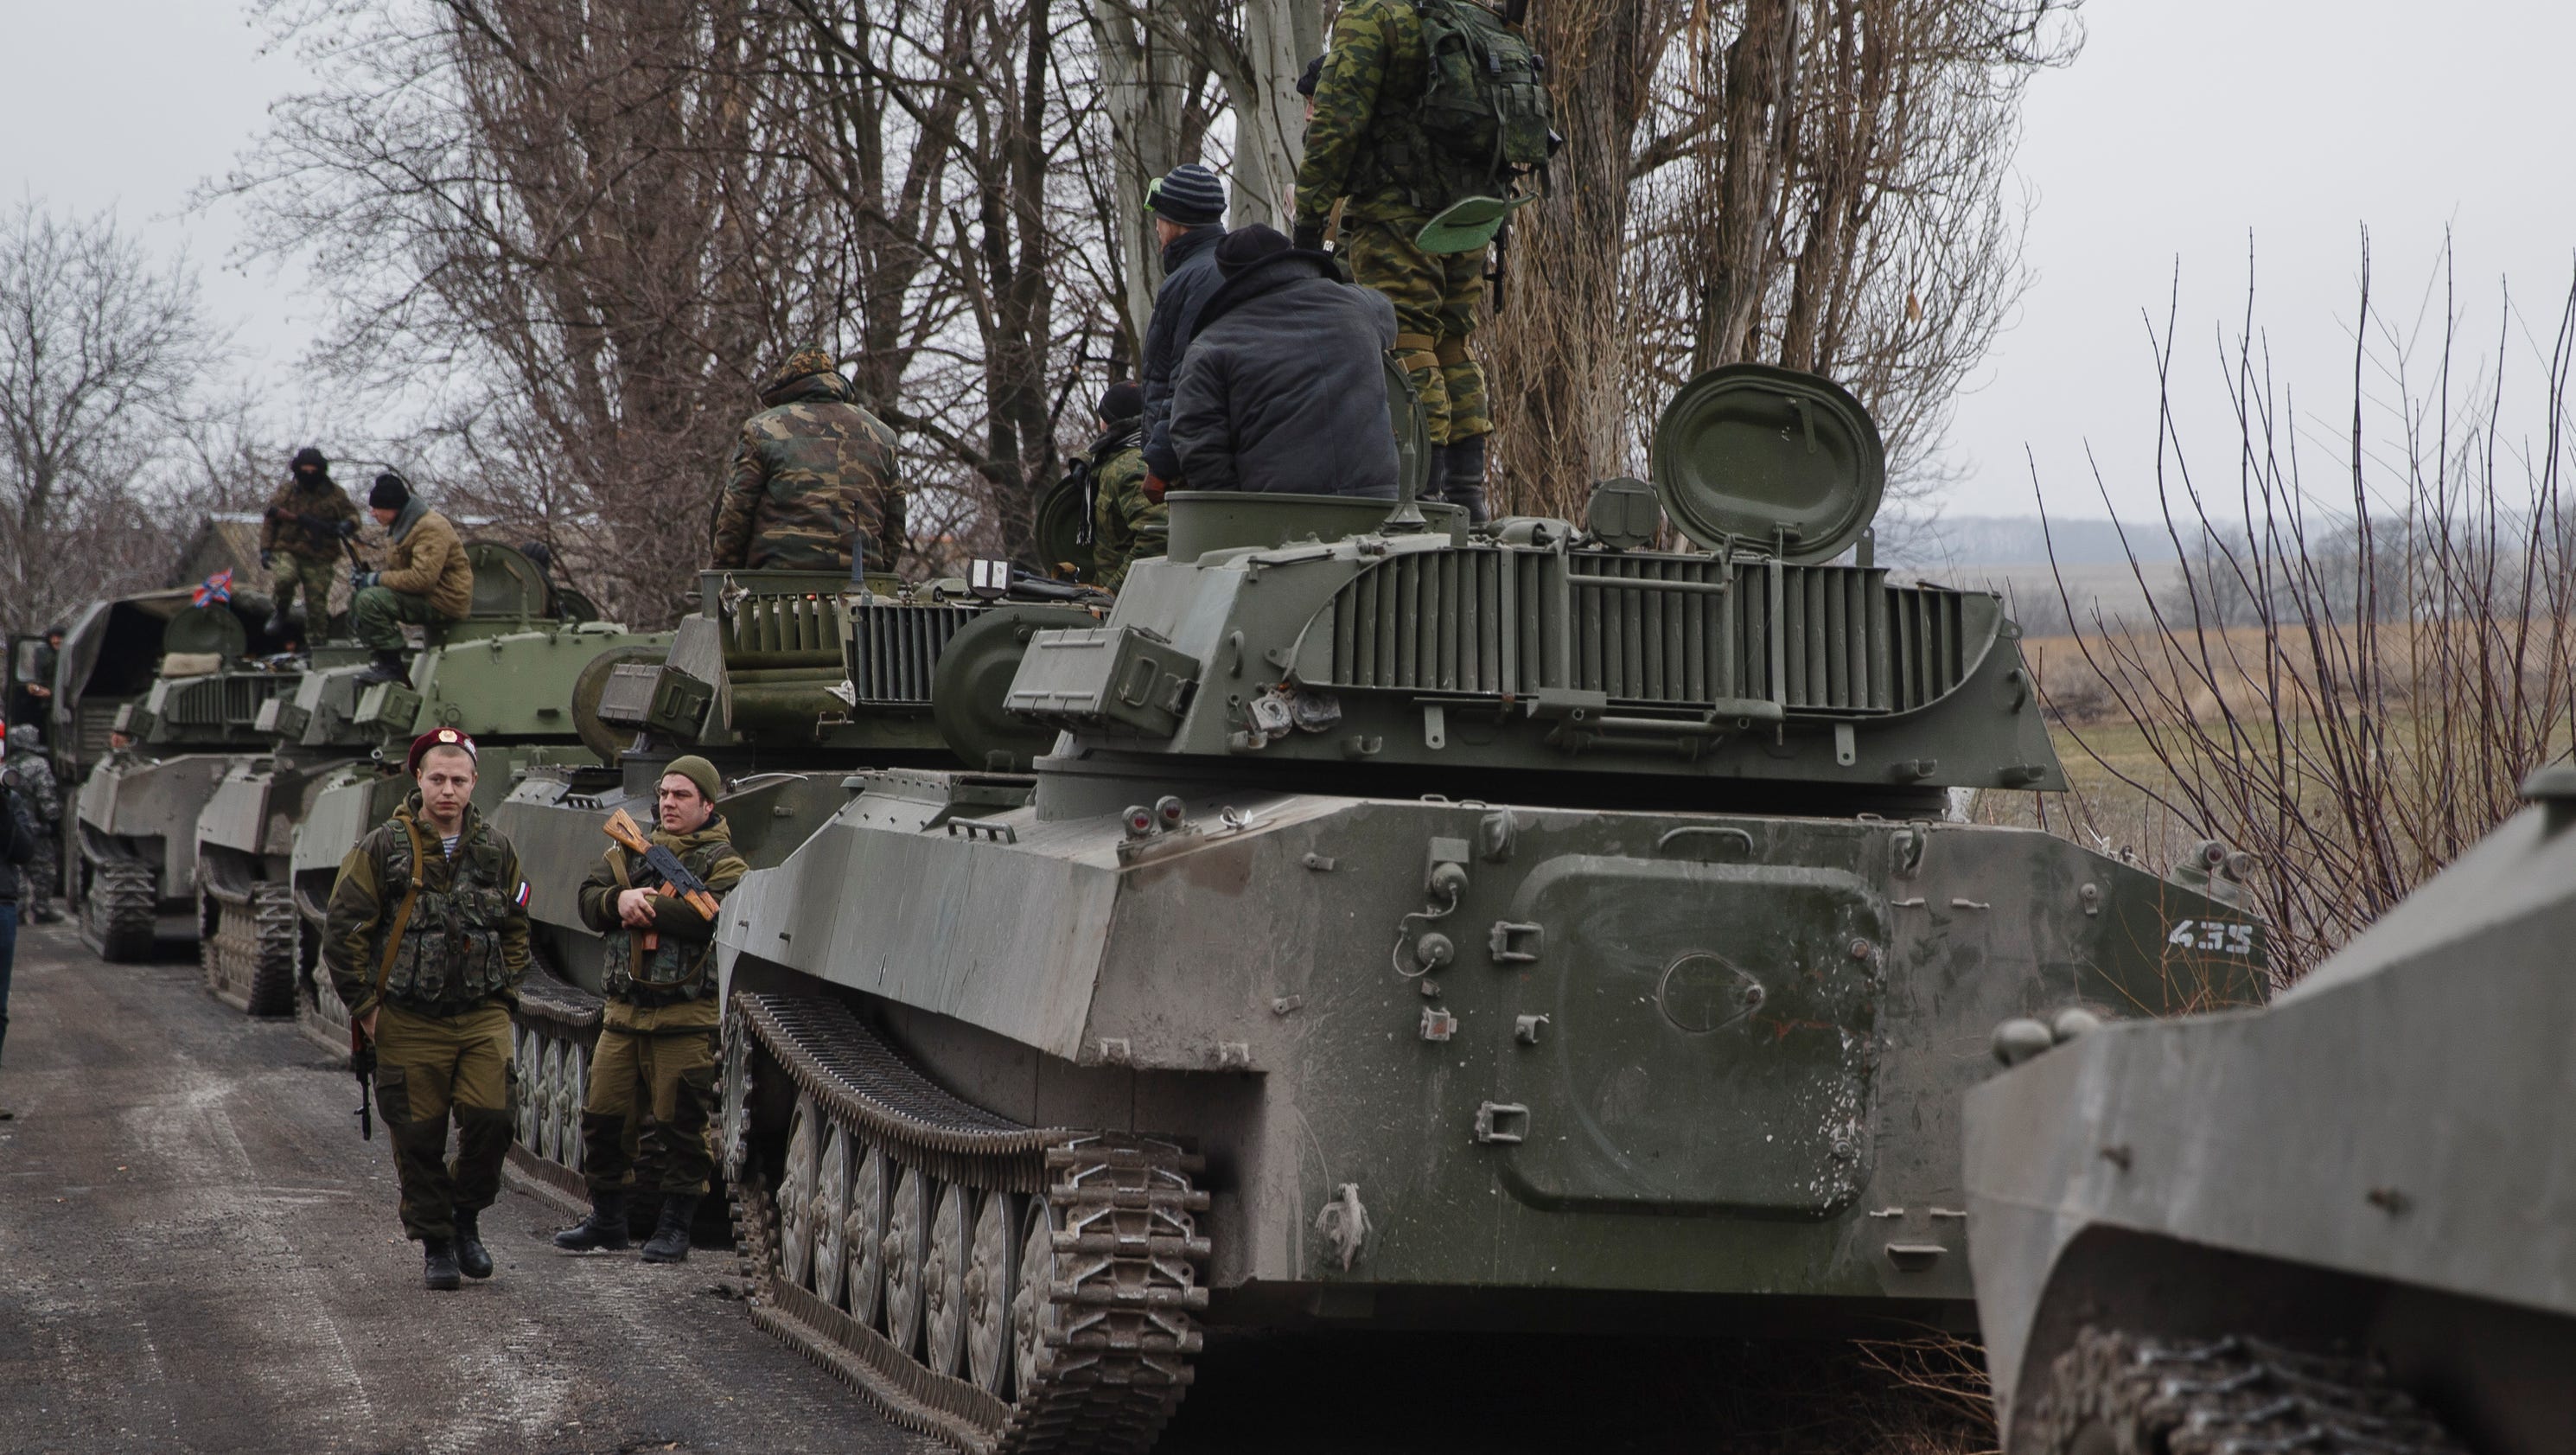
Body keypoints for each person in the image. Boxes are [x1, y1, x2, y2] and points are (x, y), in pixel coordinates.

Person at [1293, 0, 1552, 525]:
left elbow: (1337, 120)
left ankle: (1424, 498)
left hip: (1398, 210)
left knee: (1406, 339)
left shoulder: (1374, 13)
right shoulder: (1471, 13)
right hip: (1473, 213)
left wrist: (1309, 217)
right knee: (1452, 342)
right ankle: (1468, 497)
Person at [323, 727, 532, 1291]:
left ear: (473, 783)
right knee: (418, 1136)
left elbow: (517, 922)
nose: (447, 790)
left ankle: (465, 1217)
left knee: (493, 1118)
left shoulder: (496, 850)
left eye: (458, 780)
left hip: (480, 1013)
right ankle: (437, 1240)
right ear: (417, 778)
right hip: (408, 1017)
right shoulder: (382, 848)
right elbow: (344, 931)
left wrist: (506, 990)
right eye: (436, 778)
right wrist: (367, 1008)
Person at [552, 755, 748, 1262]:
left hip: (684, 1019)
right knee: (603, 1118)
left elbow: (713, 917)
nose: (668, 802)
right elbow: (588, 898)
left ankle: (675, 1227)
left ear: (707, 804)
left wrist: (651, 906)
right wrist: (617, 902)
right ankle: (608, 1219)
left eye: (682, 795)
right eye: (664, 794)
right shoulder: (627, 850)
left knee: (682, 1127)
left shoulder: (723, 862)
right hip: (622, 1016)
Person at [1167, 225, 1401, 498]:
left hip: (1279, 515)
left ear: (1227, 275)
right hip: (1377, 505)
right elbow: (1389, 317)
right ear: (1290, 256)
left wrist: (1235, 506)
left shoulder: (1211, 346)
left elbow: (1196, 442)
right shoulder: (1361, 306)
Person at [708, 348, 903, 576]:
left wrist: (724, 575)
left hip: (776, 590)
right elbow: (895, 524)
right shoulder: (882, 436)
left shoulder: (762, 430)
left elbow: (735, 513)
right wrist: (877, 575)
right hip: (863, 592)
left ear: (788, 386)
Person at [1134, 163, 1231, 497]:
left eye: (1159, 217)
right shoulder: (1220, 264)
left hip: (1193, 459)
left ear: (1176, 222)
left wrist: (1160, 462)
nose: (1157, 228)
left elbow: (1185, 375)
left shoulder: (1195, 278)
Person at [350, 473, 474, 686]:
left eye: (376, 507)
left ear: (392, 507)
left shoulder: (430, 527)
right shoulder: (403, 527)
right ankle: (383, 661)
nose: (372, 513)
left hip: (444, 601)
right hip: (427, 597)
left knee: (369, 601)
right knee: (357, 600)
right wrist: (367, 578)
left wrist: (377, 580)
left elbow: (422, 579)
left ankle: (393, 668)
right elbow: (404, 572)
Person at [258, 448, 361, 638]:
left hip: (321, 554)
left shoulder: (334, 494)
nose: (309, 475)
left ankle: (316, 643)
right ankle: (281, 611)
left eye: (313, 470)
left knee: (317, 604)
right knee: (285, 578)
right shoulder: (287, 491)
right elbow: (271, 518)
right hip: (287, 547)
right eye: (305, 470)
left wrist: (346, 525)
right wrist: (265, 549)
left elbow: (354, 516)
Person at [1078, 381, 1164, 591]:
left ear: (1109, 422)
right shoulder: (1116, 456)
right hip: (1115, 596)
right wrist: (1081, 460)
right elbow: (1101, 450)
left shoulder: (1132, 469)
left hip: (1133, 600)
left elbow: (1157, 537)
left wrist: (1114, 589)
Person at [0, 743, 35, 1120]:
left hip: (2, 905)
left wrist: (5, 810)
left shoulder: (10, 799)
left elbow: (25, 851)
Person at [3, 724, 61, 924]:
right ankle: (42, 907)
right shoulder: (38, 764)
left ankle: (17, 909)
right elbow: (47, 796)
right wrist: (52, 819)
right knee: (44, 869)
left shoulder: (5, 765)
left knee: (16, 868)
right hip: (35, 827)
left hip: (11, 828)